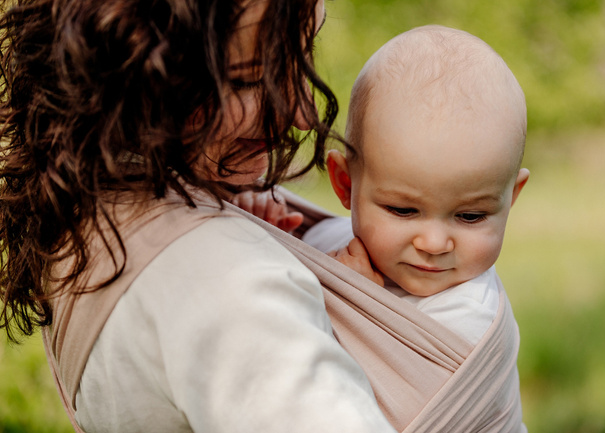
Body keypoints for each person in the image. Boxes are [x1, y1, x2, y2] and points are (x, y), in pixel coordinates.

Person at [0, 0, 397, 432]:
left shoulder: (87, 194)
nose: (301, 112)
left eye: (302, 52)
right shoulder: (228, 288)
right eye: (247, 79)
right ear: (127, 68)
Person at [301, 24, 530, 348]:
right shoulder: (326, 237)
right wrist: (269, 229)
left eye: (470, 216)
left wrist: (359, 308)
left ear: (510, 198)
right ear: (345, 183)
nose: (434, 244)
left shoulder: (467, 321)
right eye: (403, 210)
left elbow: (358, 388)